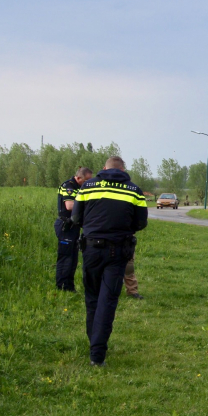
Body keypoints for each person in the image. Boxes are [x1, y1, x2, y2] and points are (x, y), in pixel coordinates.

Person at [72, 156, 148, 367]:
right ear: (123, 169)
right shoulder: (134, 190)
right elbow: (141, 222)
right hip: (118, 251)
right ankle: (97, 355)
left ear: (104, 168)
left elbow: (76, 218)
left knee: (92, 298)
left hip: (91, 249)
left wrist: (93, 225)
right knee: (108, 301)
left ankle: (94, 344)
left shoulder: (88, 186)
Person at [54, 167, 93, 291]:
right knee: (65, 257)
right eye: (86, 181)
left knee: (73, 258)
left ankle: (69, 286)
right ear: (79, 178)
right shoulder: (69, 186)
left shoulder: (79, 187)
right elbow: (70, 206)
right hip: (65, 225)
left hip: (74, 225)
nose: (88, 183)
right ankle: (62, 286)